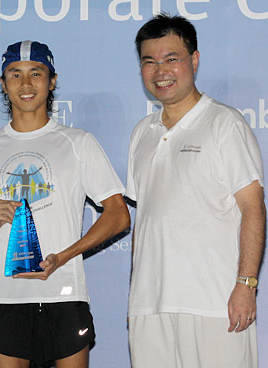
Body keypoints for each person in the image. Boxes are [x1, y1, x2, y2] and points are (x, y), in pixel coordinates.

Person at [0, 40, 130, 367]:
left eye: (36, 73)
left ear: (52, 81)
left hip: (64, 297)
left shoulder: (77, 142)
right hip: (4, 299)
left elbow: (119, 216)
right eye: (15, 74)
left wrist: (63, 257)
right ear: (3, 83)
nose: (25, 84)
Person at [126, 14, 265, 368]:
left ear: (195, 60)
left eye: (171, 59)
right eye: (150, 61)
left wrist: (246, 285)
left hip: (214, 304)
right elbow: (145, 220)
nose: (161, 71)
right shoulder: (142, 133)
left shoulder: (224, 123)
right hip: (150, 308)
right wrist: (135, 299)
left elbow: (252, 206)